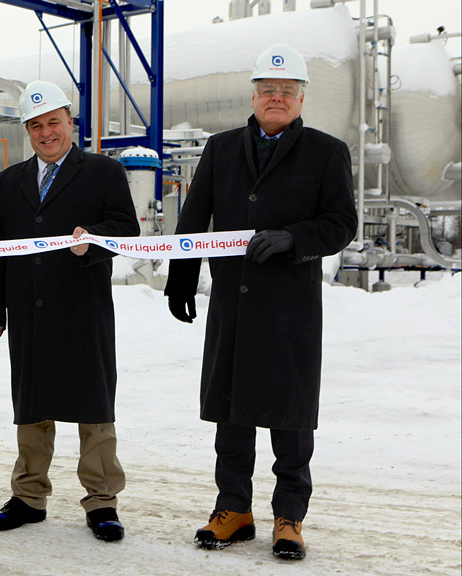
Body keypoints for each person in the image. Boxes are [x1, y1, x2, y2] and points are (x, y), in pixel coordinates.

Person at [164, 43, 357, 560]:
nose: (276, 98)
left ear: (300, 99)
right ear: (253, 96)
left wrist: (296, 238)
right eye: (267, 90)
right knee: (231, 410)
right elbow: (194, 218)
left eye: (286, 92)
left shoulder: (326, 152)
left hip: (289, 306)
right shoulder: (222, 148)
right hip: (234, 300)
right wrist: (180, 279)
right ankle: (234, 508)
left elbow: (341, 223)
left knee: (290, 415)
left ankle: (289, 516)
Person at [0, 80, 140, 542]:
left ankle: (102, 500)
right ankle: (28, 496)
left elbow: (125, 229)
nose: (46, 133)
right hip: (29, 310)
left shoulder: (104, 173)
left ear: (70, 121)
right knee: (31, 406)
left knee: (94, 407)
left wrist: (93, 238)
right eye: (36, 126)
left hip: (82, 309)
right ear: (27, 131)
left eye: (53, 122)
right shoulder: (7, 183)